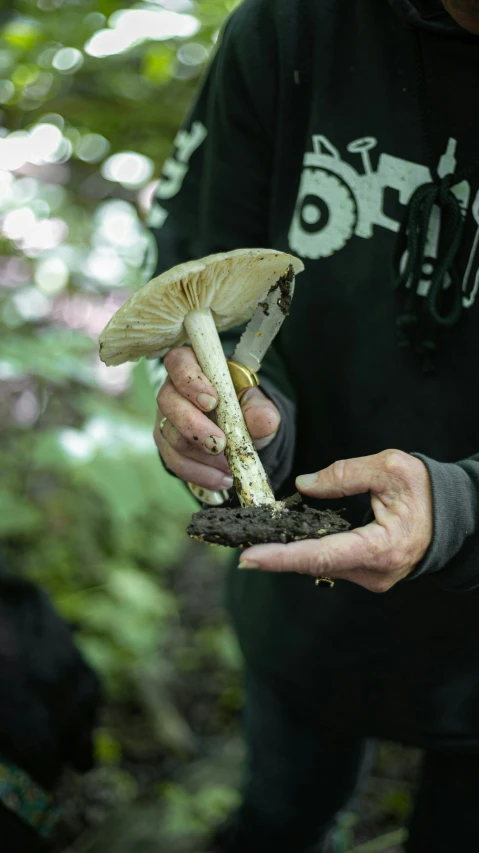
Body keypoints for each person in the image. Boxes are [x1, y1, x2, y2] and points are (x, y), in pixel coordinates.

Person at [147, 1, 479, 851]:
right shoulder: (293, 26)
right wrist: (237, 422)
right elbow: (207, 275)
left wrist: (460, 504)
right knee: (277, 819)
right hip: (300, 608)